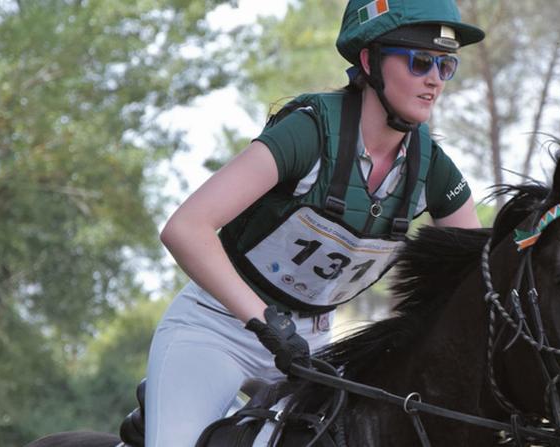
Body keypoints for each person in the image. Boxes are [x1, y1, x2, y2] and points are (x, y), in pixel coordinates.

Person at [144, 0, 486, 445]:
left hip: (313, 347)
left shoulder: (435, 168)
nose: (435, 80)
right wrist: (266, 323)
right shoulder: (308, 133)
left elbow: (477, 281)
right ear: (370, 60)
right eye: (421, 61)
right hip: (218, 330)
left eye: (447, 65)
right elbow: (185, 228)